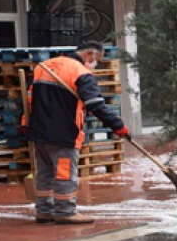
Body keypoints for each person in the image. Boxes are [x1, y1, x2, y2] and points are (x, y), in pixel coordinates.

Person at [26, 41, 129, 224]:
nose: (95, 64)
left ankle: (44, 210)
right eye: (96, 60)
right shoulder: (80, 72)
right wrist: (117, 125)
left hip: (39, 131)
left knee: (45, 173)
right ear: (90, 54)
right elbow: (96, 104)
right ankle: (65, 211)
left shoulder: (45, 66)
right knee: (64, 173)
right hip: (63, 132)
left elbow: (29, 98)